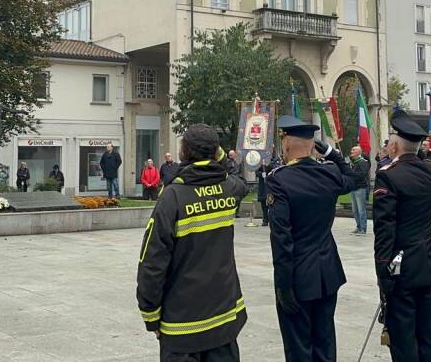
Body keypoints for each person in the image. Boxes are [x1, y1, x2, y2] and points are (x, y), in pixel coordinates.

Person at [137, 124, 248, 362]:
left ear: (183, 151)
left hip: (183, 326)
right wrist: (220, 157)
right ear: (216, 151)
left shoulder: (173, 196)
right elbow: (241, 180)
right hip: (224, 319)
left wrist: (150, 313)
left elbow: (152, 261)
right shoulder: (228, 188)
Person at [267, 115, 355, 362]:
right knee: (325, 342)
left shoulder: (279, 179)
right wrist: (332, 153)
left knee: (299, 348)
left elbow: (282, 238)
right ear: (312, 145)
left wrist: (283, 285)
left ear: (286, 144)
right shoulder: (328, 174)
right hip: (328, 272)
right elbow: (353, 178)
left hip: (298, 276)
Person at [373, 111, 431, 362]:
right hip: (426, 261)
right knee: (426, 333)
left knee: (403, 339)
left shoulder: (388, 175)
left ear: (394, 145)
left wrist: (382, 270)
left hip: (400, 267)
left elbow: (385, 228)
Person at [349, 146, 371, 235]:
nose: (351, 151)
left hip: (360, 188)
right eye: (352, 149)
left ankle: (363, 229)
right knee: (355, 210)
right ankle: (358, 226)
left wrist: (351, 174)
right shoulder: (352, 163)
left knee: (361, 209)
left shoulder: (363, 162)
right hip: (353, 188)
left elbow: (361, 174)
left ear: (359, 152)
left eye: (353, 150)